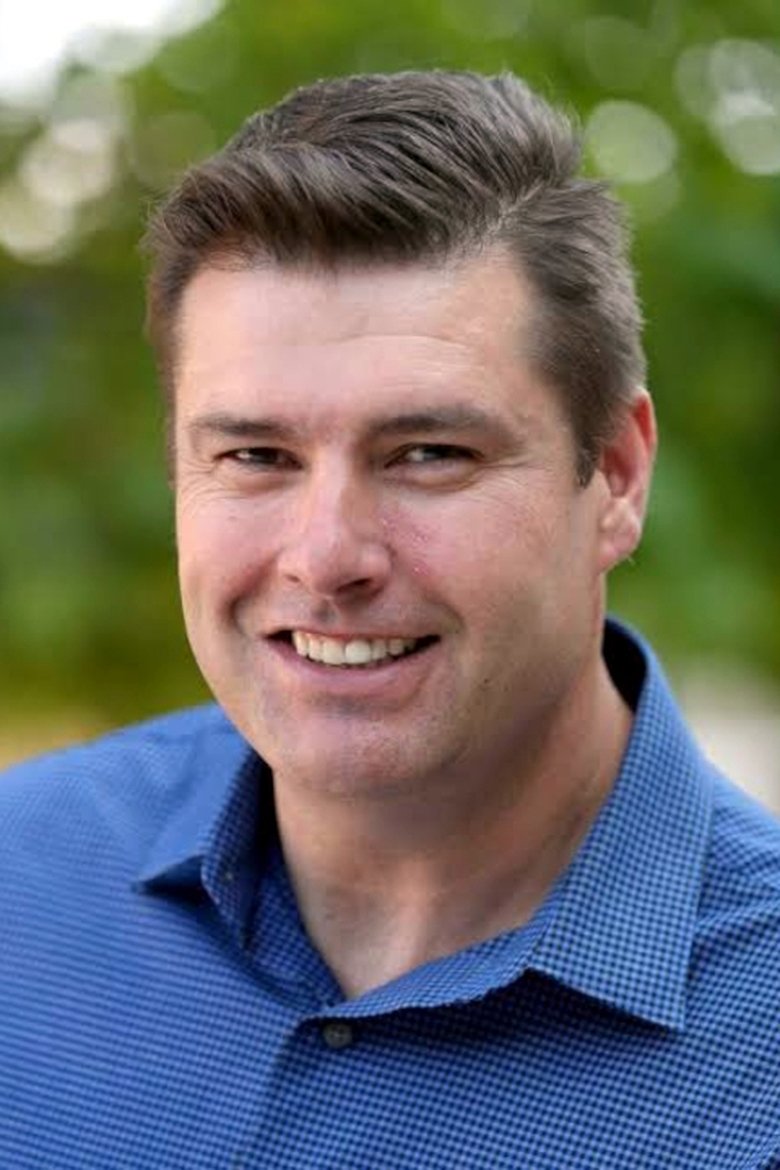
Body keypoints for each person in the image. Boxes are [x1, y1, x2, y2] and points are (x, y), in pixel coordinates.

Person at [1, 70, 779, 1170]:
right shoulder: (22, 874)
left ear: (615, 475)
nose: (326, 558)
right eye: (256, 456)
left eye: (428, 454)